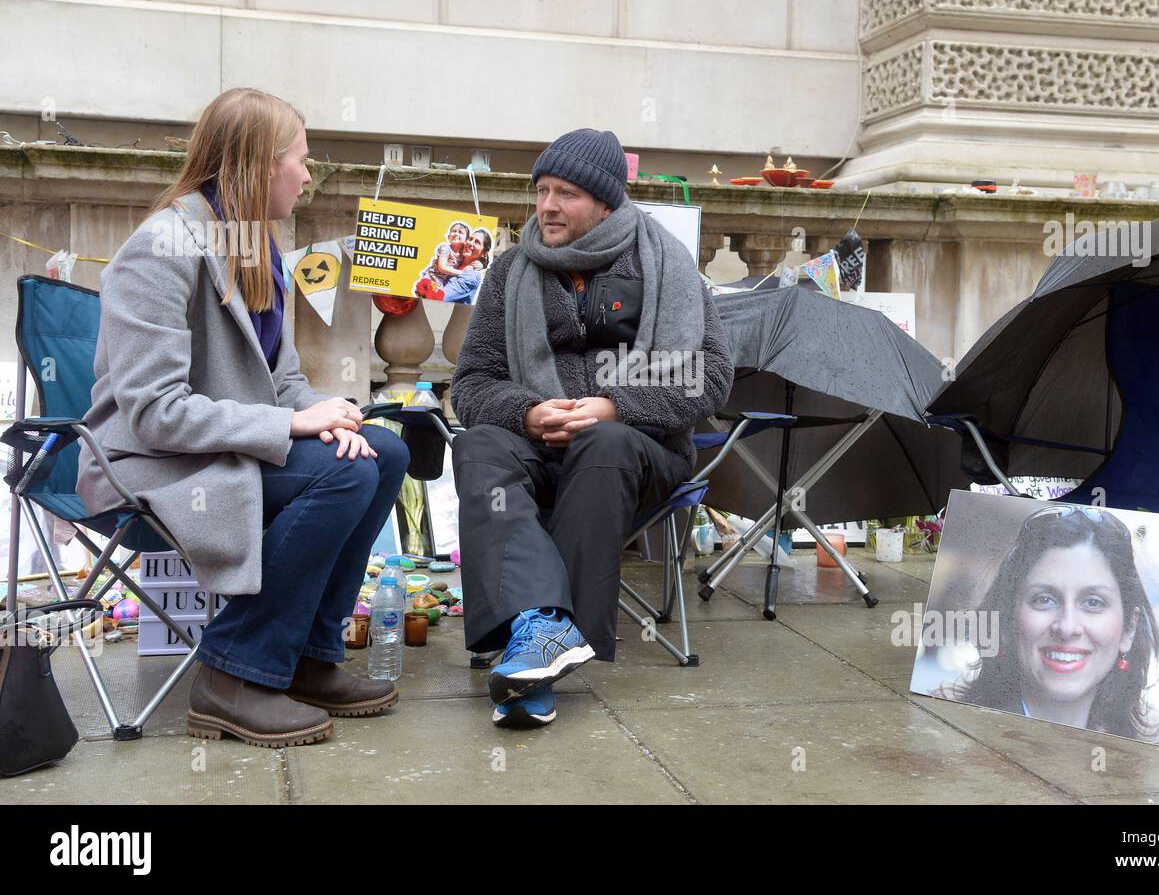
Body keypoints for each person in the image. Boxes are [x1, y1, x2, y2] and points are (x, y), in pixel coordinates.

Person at [75, 88, 410, 749]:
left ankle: (310, 658)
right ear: (258, 165)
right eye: (301, 160)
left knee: (383, 452)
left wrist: (323, 411)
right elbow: (154, 411)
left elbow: (281, 381)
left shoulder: (255, 247)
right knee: (337, 475)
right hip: (150, 467)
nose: (310, 176)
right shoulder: (163, 247)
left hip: (219, 452)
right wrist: (290, 427)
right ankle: (232, 672)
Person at [451, 128, 732, 728]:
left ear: (605, 203)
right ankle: (539, 648)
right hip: (536, 448)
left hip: (638, 457)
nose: (547, 206)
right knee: (477, 444)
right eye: (542, 190)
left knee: (601, 440)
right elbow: (470, 385)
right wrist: (526, 412)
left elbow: (708, 378)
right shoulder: (510, 273)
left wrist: (615, 406)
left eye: (567, 194)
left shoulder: (667, 265)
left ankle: (545, 631)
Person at [943, 505, 1159, 742]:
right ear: (1007, 619)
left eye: (1093, 602)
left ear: (1129, 629)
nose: (1067, 628)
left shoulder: (1131, 757)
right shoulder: (952, 735)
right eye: (1044, 599)